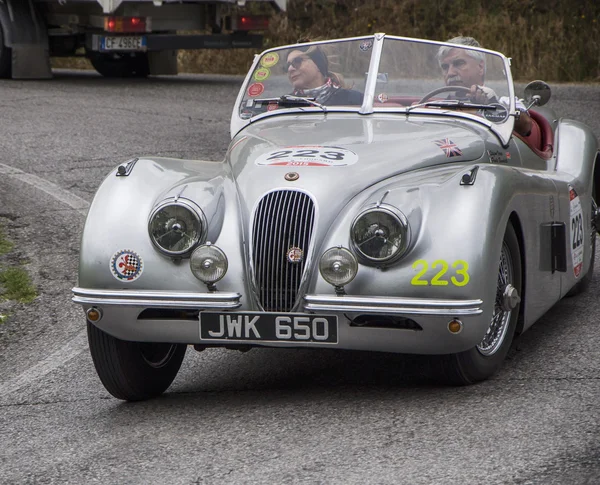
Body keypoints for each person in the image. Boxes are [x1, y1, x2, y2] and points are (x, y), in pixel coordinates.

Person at [437, 36, 532, 137]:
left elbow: (525, 126)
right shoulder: (433, 105)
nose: (450, 73)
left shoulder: (506, 102)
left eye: (459, 63)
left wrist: (494, 105)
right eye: (445, 67)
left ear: (480, 67)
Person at [286, 45, 363, 106]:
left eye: (297, 61)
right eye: (288, 65)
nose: (290, 69)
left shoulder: (355, 99)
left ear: (318, 64)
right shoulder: (284, 104)